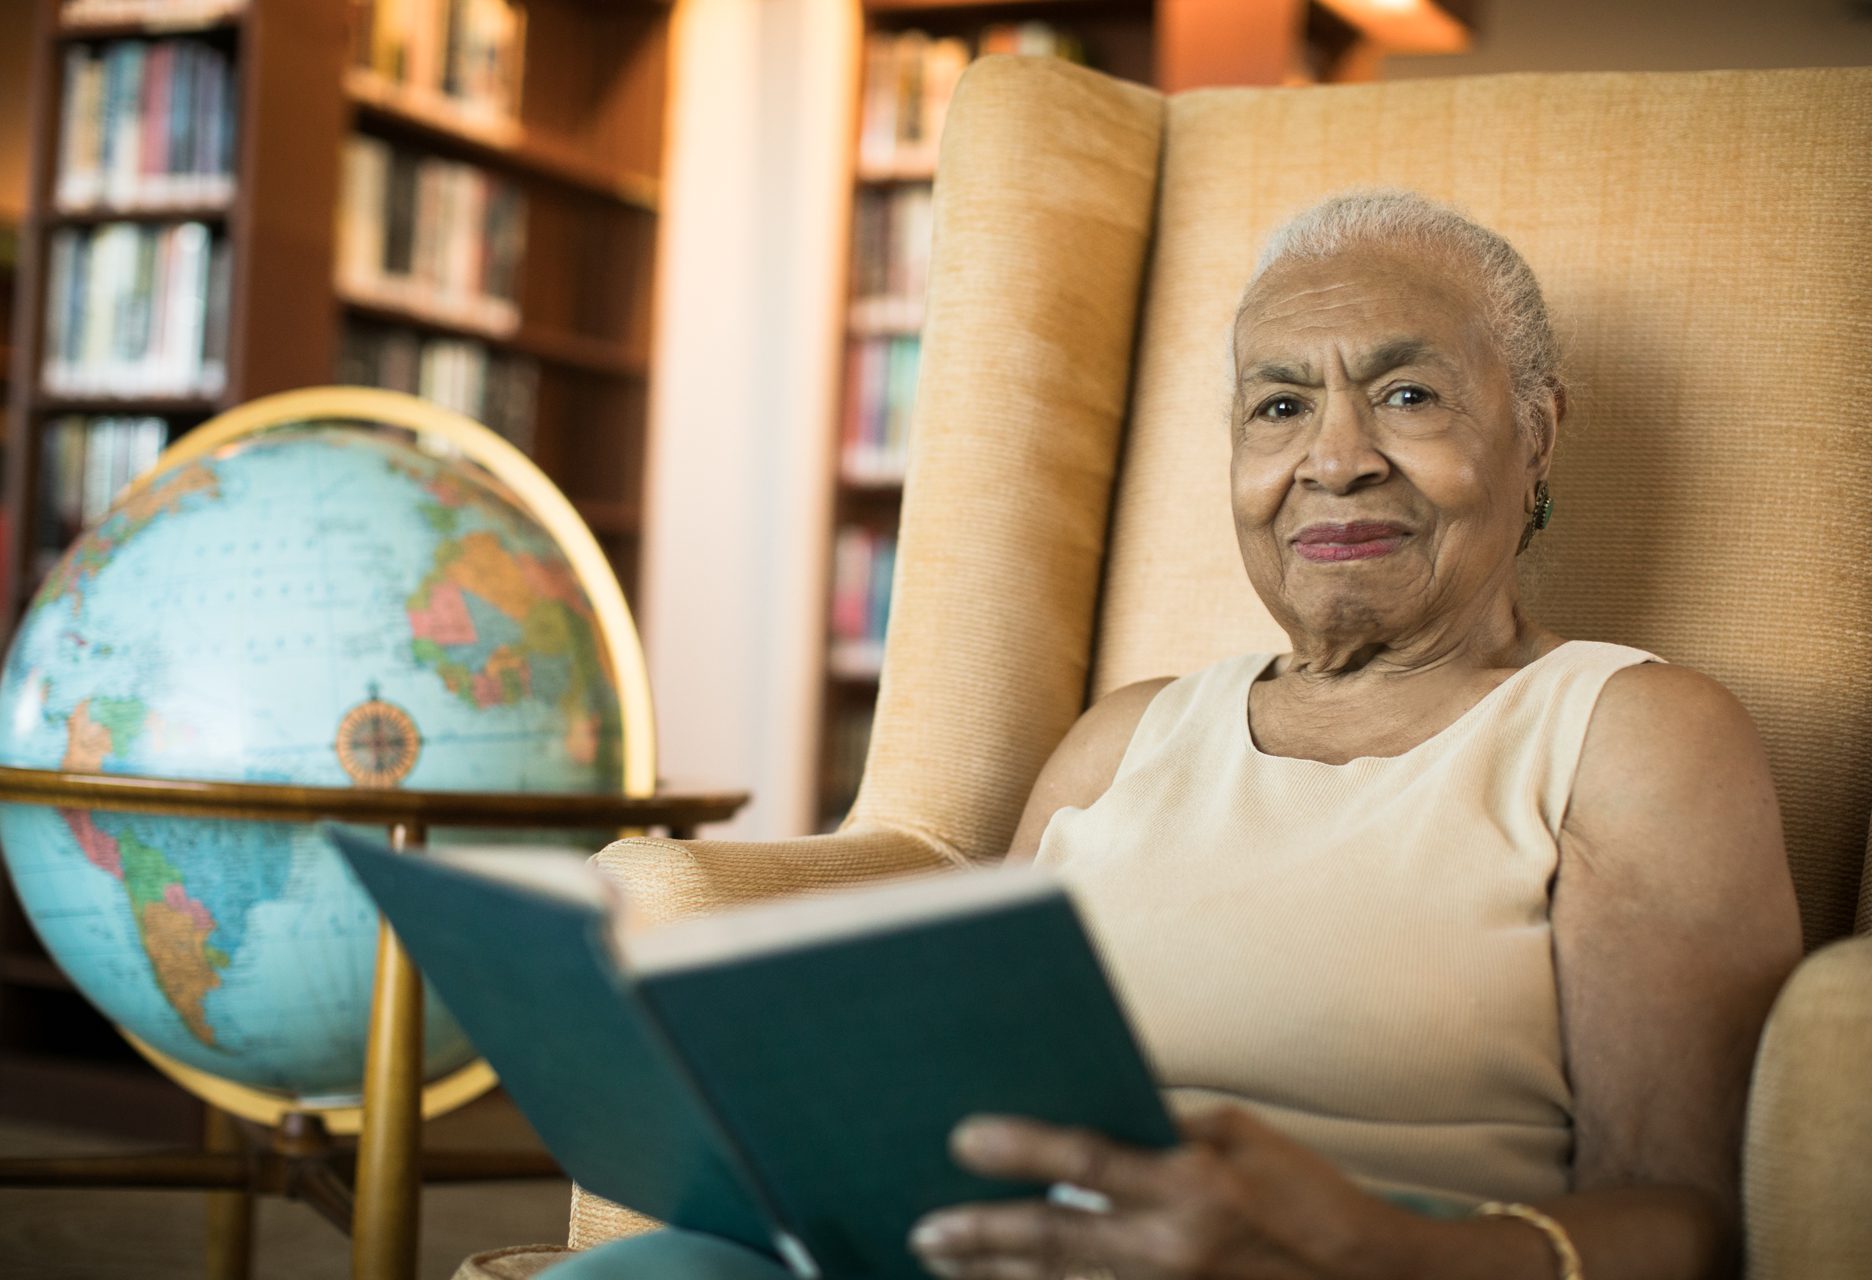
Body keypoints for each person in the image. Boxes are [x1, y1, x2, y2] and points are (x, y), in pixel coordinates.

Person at [540, 191, 1801, 1280]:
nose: (1336, 458)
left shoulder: (1629, 732)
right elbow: (960, 1077)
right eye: (1280, 406)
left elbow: (1689, 1219)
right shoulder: (1123, 737)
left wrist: (1373, 1248)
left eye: (1408, 394)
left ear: (1535, 432)